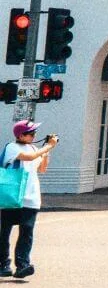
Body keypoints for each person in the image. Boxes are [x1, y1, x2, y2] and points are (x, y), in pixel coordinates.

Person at [1, 120, 58, 279]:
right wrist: (48, 146)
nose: (34, 136)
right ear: (21, 135)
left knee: (26, 232)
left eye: (34, 133)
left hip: (31, 198)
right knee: (4, 232)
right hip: (11, 196)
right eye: (31, 133)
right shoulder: (12, 147)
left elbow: (42, 169)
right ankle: (3, 264)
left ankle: (23, 265)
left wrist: (46, 152)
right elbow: (28, 157)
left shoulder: (34, 148)